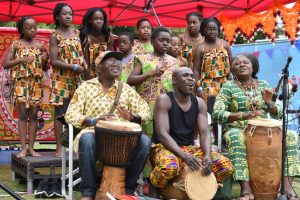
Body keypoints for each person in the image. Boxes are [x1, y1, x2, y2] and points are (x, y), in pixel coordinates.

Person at [64, 51, 151, 200]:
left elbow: (146, 112)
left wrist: (132, 117)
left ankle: (127, 189)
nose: (116, 64)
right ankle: (88, 192)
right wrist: (94, 120)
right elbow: (70, 115)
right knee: (87, 140)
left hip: (123, 140)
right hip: (94, 133)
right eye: (110, 61)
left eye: (118, 61)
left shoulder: (126, 89)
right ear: (99, 68)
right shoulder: (86, 87)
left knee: (145, 141)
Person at [212, 54, 300, 200]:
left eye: (246, 62)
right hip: (239, 128)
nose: (241, 65)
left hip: (265, 130)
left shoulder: (264, 84)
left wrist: (269, 103)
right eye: (237, 63)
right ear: (233, 69)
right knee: (235, 136)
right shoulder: (228, 87)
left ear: (253, 67)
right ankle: (246, 190)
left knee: (291, 135)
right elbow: (217, 112)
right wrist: (244, 115)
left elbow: (277, 113)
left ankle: (287, 189)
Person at [149, 67, 233, 197]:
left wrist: (207, 156)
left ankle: (202, 191)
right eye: (185, 76)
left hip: (189, 148)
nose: (190, 79)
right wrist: (184, 156)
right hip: (164, 147)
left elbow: (204, 133)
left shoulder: (199, 103)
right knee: (169, 166)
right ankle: (154, 187)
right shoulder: (164, 100)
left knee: (225, 166)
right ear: (175, 81)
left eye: (192, 77)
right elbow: (162, 134)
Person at [3, 16, 48, 158]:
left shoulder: (40, 46)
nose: (33, 30)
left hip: (36, 83)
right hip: (21, 82)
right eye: (29, 28)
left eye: (35, 27)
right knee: (23, 115)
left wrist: (45, 60)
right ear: (22, 29)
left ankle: (31, 148)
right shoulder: (16, 45)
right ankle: (23, 148)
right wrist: (22, 59)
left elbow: (45, 66)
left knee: (34, 115)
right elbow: (5, 64)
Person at [49, 3, 87, 157]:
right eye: (65, 14)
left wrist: (83, 63)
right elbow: (54, 61)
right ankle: (59, 147)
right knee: (60, 112)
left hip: (77, 78)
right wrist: (74, 67)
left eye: (70, 14)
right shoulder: (54, 35)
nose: (68, 16)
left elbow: (80, 53)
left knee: (77, 110)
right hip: (61, 78)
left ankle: (75, 146)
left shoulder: (77, 33)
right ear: (57, 16)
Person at [127, 27, 179, 135]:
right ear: (152, 42)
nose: (165, 43)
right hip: (146, 107)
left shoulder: (174, 62)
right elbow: (130, 80)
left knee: (165, 136)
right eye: (161, 40)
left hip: (168, 107)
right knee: (148, 138)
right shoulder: (143, 59)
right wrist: (149, 74)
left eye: (168, 41)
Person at [193, 17, 232, 104]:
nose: (212, 32)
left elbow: (232, 64)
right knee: (210, 109)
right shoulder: (200, 48)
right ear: (203, 31)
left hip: (225, 82)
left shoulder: (225, 45)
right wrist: (199, 87)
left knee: (226, 107)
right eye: (209, 29)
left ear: (218, 30)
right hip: (208, 84)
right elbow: (196, 70)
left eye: (214, 29)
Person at [80, 7, 114, 79]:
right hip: (88, 72)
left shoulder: (108, 36)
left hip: (105, 72)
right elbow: (84, 60)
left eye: (101, 19)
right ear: (90, 20)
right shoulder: (85, 37)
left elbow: (110, 56)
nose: (99, 21)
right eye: (96, 19)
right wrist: (88, 80)